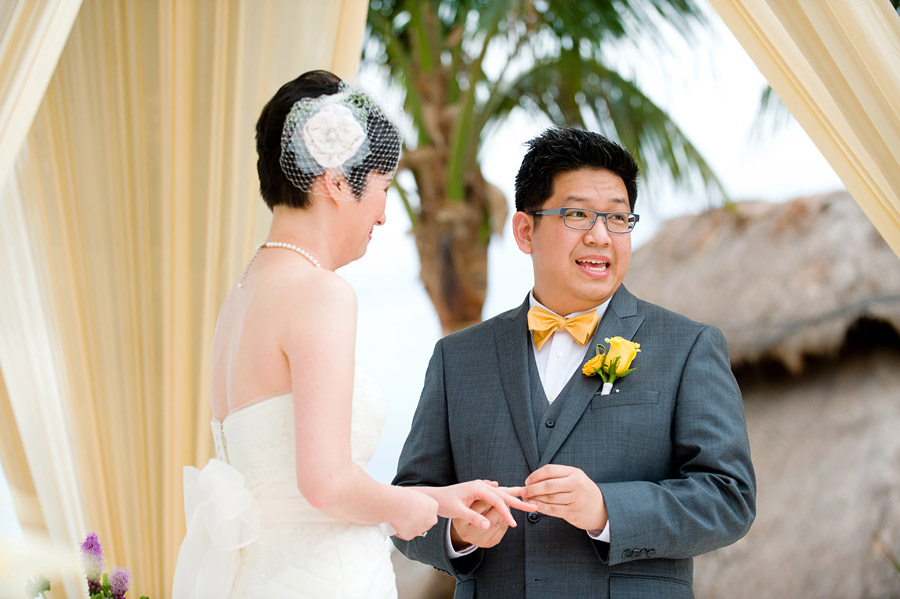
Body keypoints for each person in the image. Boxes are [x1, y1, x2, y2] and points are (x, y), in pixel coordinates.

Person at [171, 70, 533, 599]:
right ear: (337, 181)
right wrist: (410, 507)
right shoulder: (320, 292)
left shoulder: (241, 298)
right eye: (383, 188)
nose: (383, 215)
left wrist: (440, 499)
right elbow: (325, 482)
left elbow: (287, 484)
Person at [392, 127, 756, 598]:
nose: (601, 236)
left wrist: (607, 509)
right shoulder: (457, 357)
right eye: (578, 214)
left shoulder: (688, 346)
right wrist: (457, 532)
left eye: (618, 218)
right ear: (525, 231)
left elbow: (729, 498)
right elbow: (408, 502)